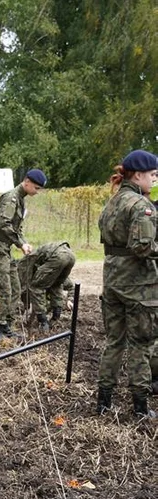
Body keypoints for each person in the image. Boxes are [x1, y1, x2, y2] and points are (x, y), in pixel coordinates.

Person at [96, 149, 158, 418]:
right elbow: (143, 247)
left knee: (114, 342)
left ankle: (104, 402)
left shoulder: (112, 202)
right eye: (153, 175)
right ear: (139, 174)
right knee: (141, 344)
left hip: (112, 281)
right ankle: (140, 407)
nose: (154, 180)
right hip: (139, 286)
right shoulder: (141, 206)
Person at [0, 168, 47, 341]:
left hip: (5, 249)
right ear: (26, 182)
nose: (37, 192)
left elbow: (17, 228)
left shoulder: (21, 200)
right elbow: (2, 223)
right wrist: (20, 243)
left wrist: (23, 243)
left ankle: (7, 326)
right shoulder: (11, 198)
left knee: (16, 288)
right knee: (4, 290)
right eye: (36, 187)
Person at [18, 241, 75, 331]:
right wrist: (27, 305)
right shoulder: (50, 271)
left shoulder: (29, 264)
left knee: (36, 287)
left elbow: (71, 286)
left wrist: (70, 299)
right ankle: (55, 318)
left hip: (59, 256)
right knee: (56, 284)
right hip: (71, 256)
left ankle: (43, 323)